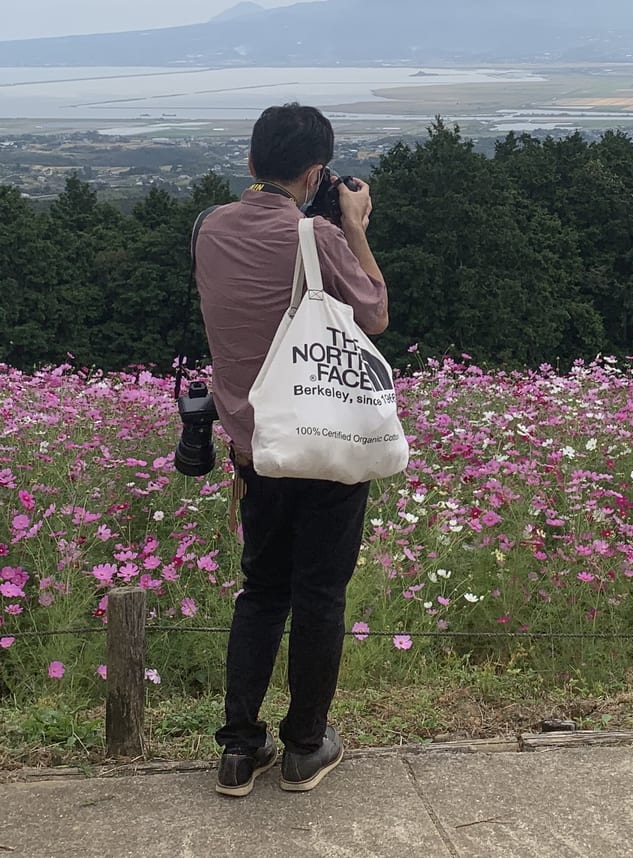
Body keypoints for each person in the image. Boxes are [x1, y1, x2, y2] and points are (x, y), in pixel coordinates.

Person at [195, 103, 389, 797]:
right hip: (326, 440)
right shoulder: (318, 234)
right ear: (316, 172)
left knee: (261, 592)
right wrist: (354, 228)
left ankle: (240, 752)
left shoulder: (210, 230)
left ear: (251, 163)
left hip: (254, 448)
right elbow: (374, 314)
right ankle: (306, 745)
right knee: (319, 595)